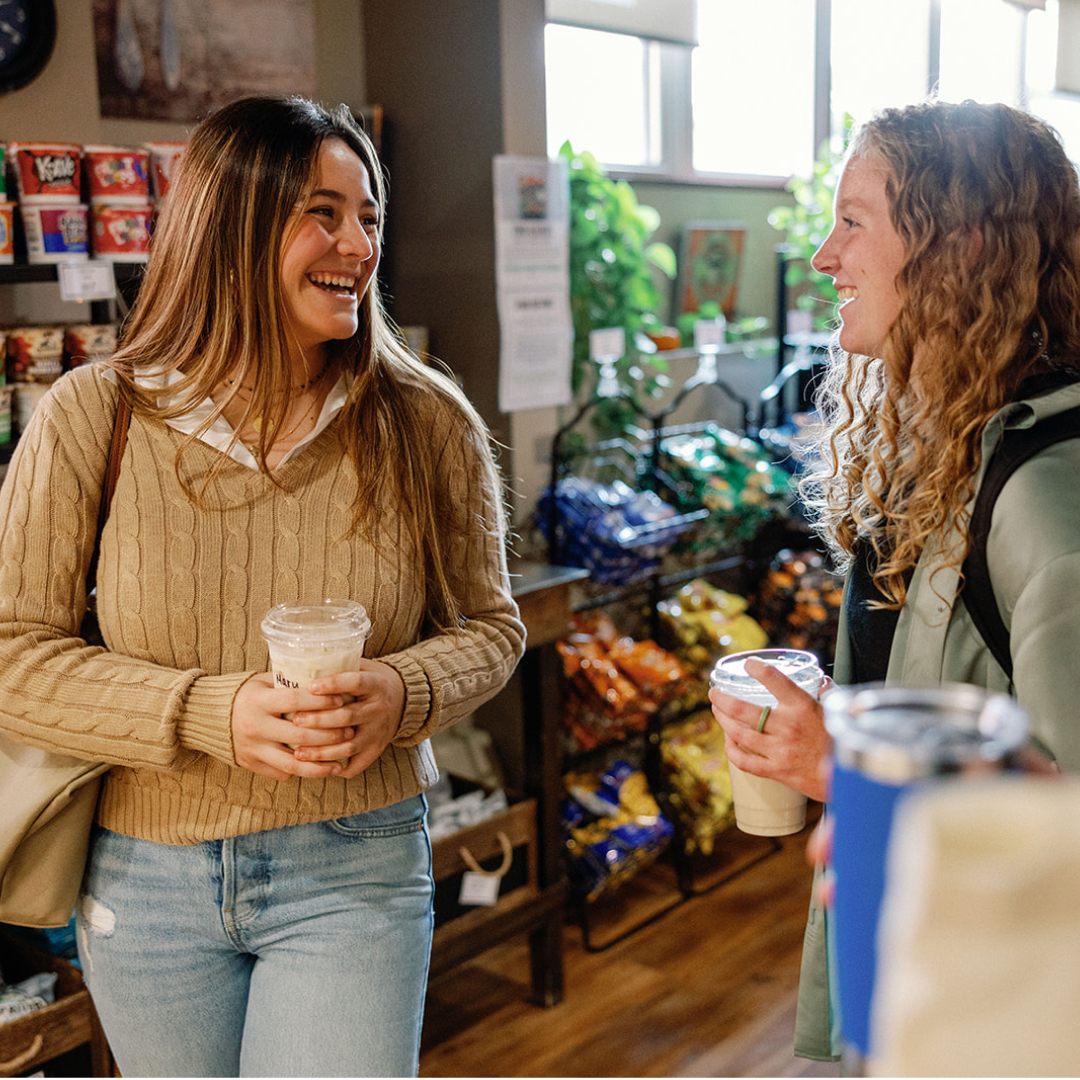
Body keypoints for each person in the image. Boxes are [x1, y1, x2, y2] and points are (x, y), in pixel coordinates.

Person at [0, 95, 525, 1078]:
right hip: (143, 880)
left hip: (356, 864)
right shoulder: (91, 417)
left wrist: (402, 691)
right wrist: (208, 710)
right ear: (229, 227)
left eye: (368, 215)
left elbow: (491, 629)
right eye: (323, 212)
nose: (359, 244)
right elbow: (12, 653)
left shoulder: (423, 420)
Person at [709, 99, 1080, 1062]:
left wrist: (840, 772)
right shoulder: (951, 434)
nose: (825, 258)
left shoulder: (1042, 496)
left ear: (953, 245)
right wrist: (852, 716)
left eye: (854, 222)